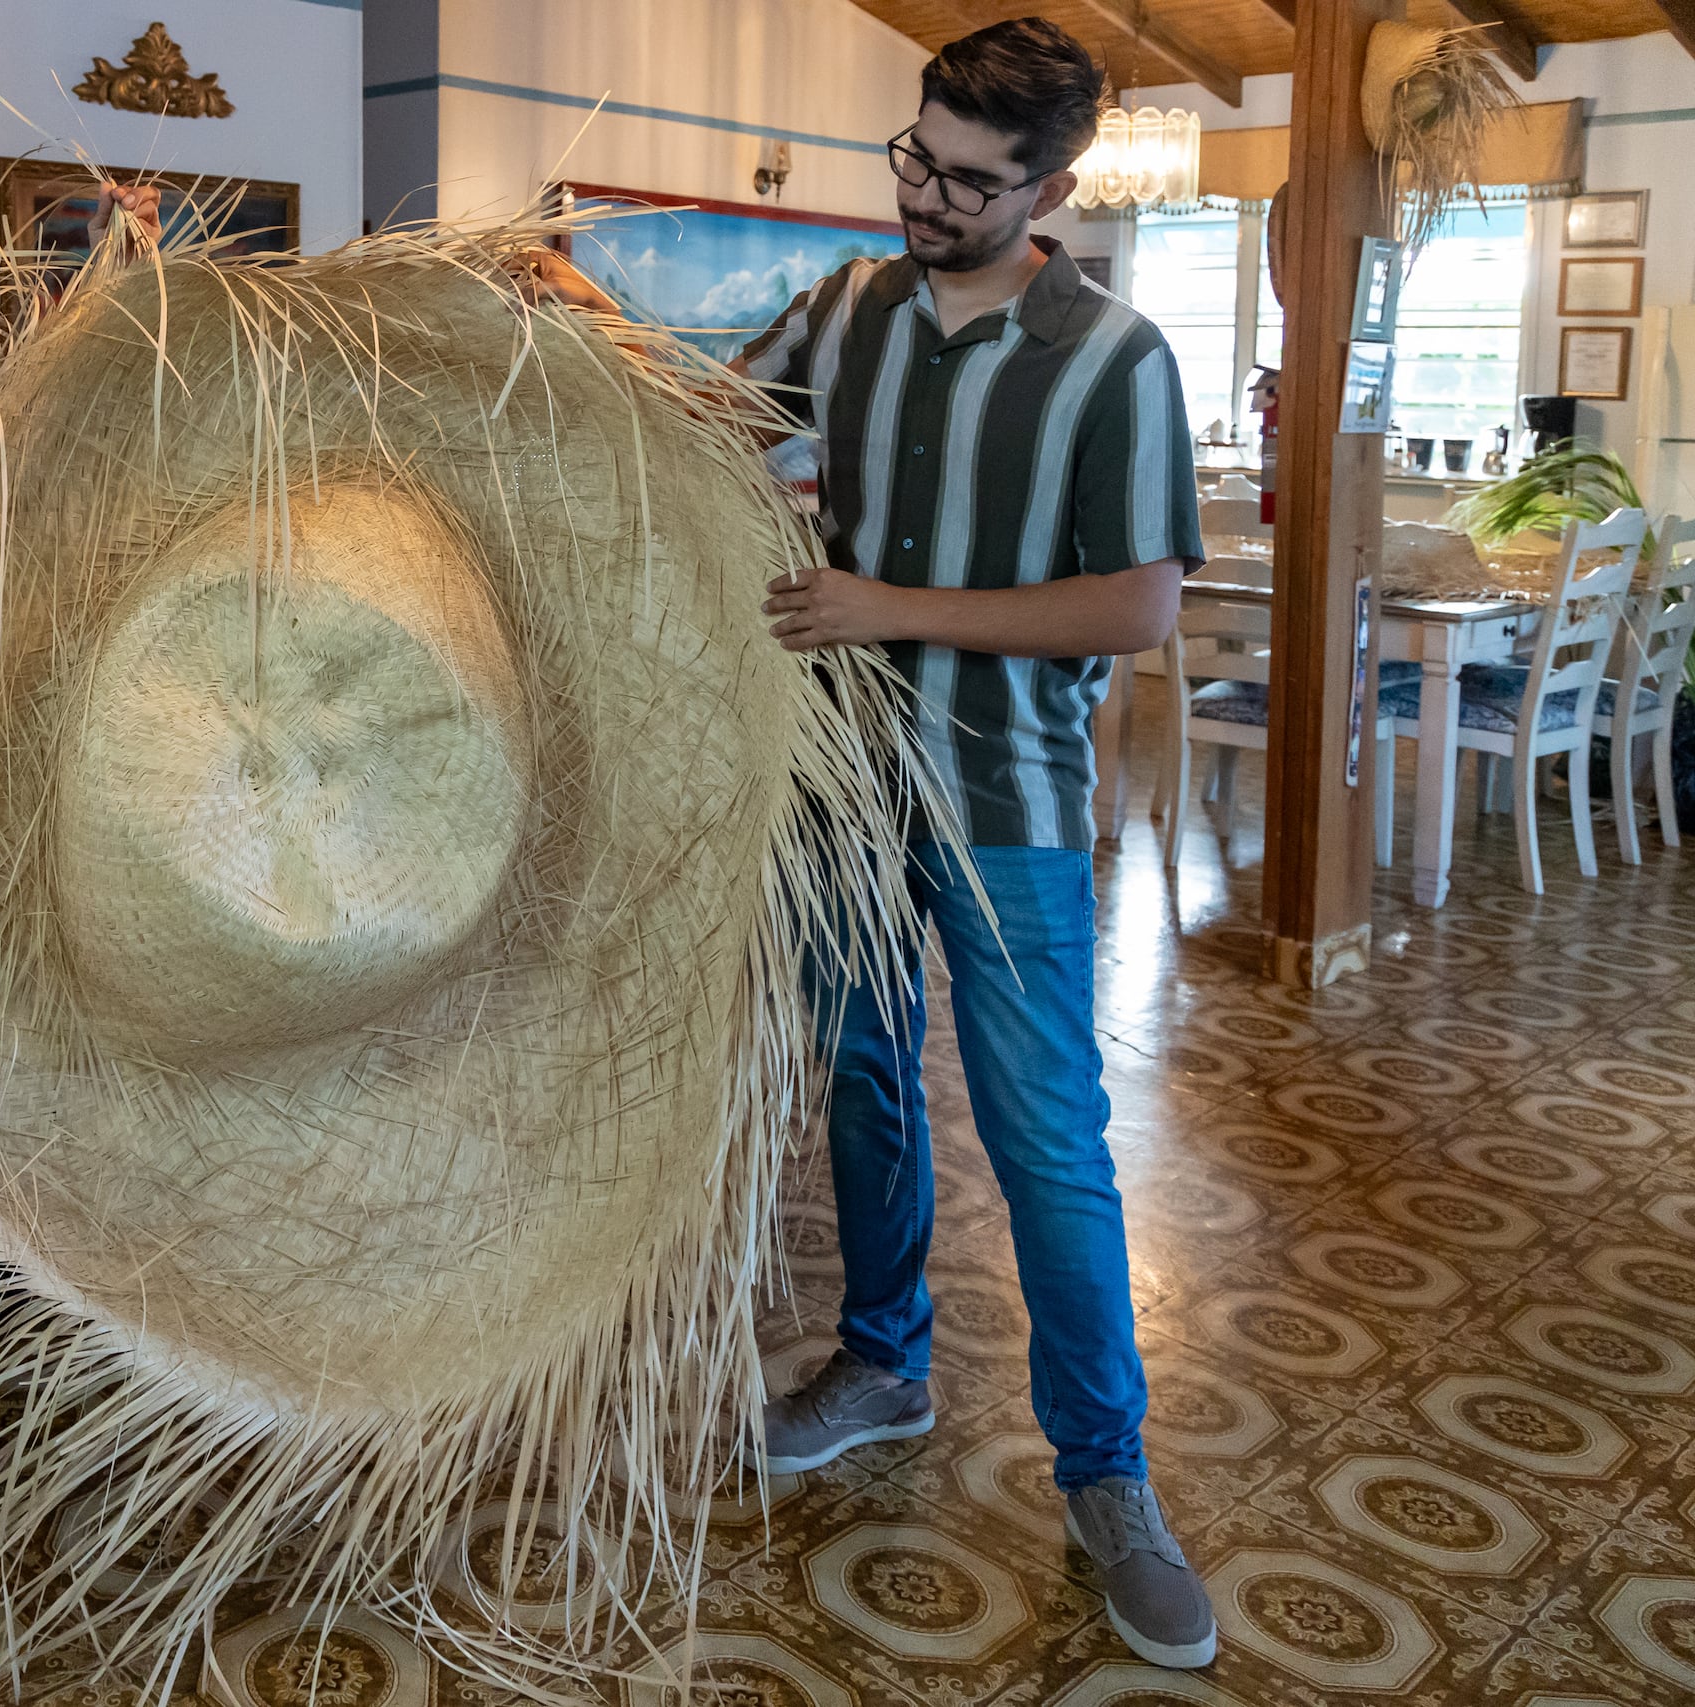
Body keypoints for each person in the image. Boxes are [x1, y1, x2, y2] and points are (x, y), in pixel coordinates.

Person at [532, 16, 1213, 1671]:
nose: (923, 196)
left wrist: (875, 608)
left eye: (967, 182)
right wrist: (580, 316)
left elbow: (1135, 603)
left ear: (1046, 188)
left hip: (1016, 820)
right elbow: (710, 419)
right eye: (914, 157)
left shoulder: (1116, 361)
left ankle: (1110, 1479)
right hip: (840, 795)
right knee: (864, 1082)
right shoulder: (844, 312)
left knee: (1049, 1143)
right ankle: (881, 1360)